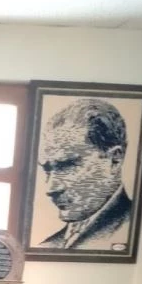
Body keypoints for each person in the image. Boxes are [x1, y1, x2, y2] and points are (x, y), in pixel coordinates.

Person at [37, 98, 131, 249]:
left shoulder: (132, 230)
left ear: (115, 159)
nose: (51, 189)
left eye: (67, 165)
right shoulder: (48, 245)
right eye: (47, 169)